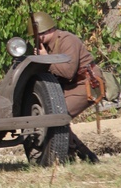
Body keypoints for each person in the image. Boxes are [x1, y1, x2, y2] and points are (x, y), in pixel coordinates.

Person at [27, 12, 101, 163]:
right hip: (71, 85)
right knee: (54, 114)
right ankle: (85, 155)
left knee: (58, 115)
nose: (35, 39)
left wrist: (46, 59)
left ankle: (77, 153)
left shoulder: (67, 40)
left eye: (37, 35)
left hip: (87, 84)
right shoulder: (47, 45)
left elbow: (67, 72)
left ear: (44, 32)